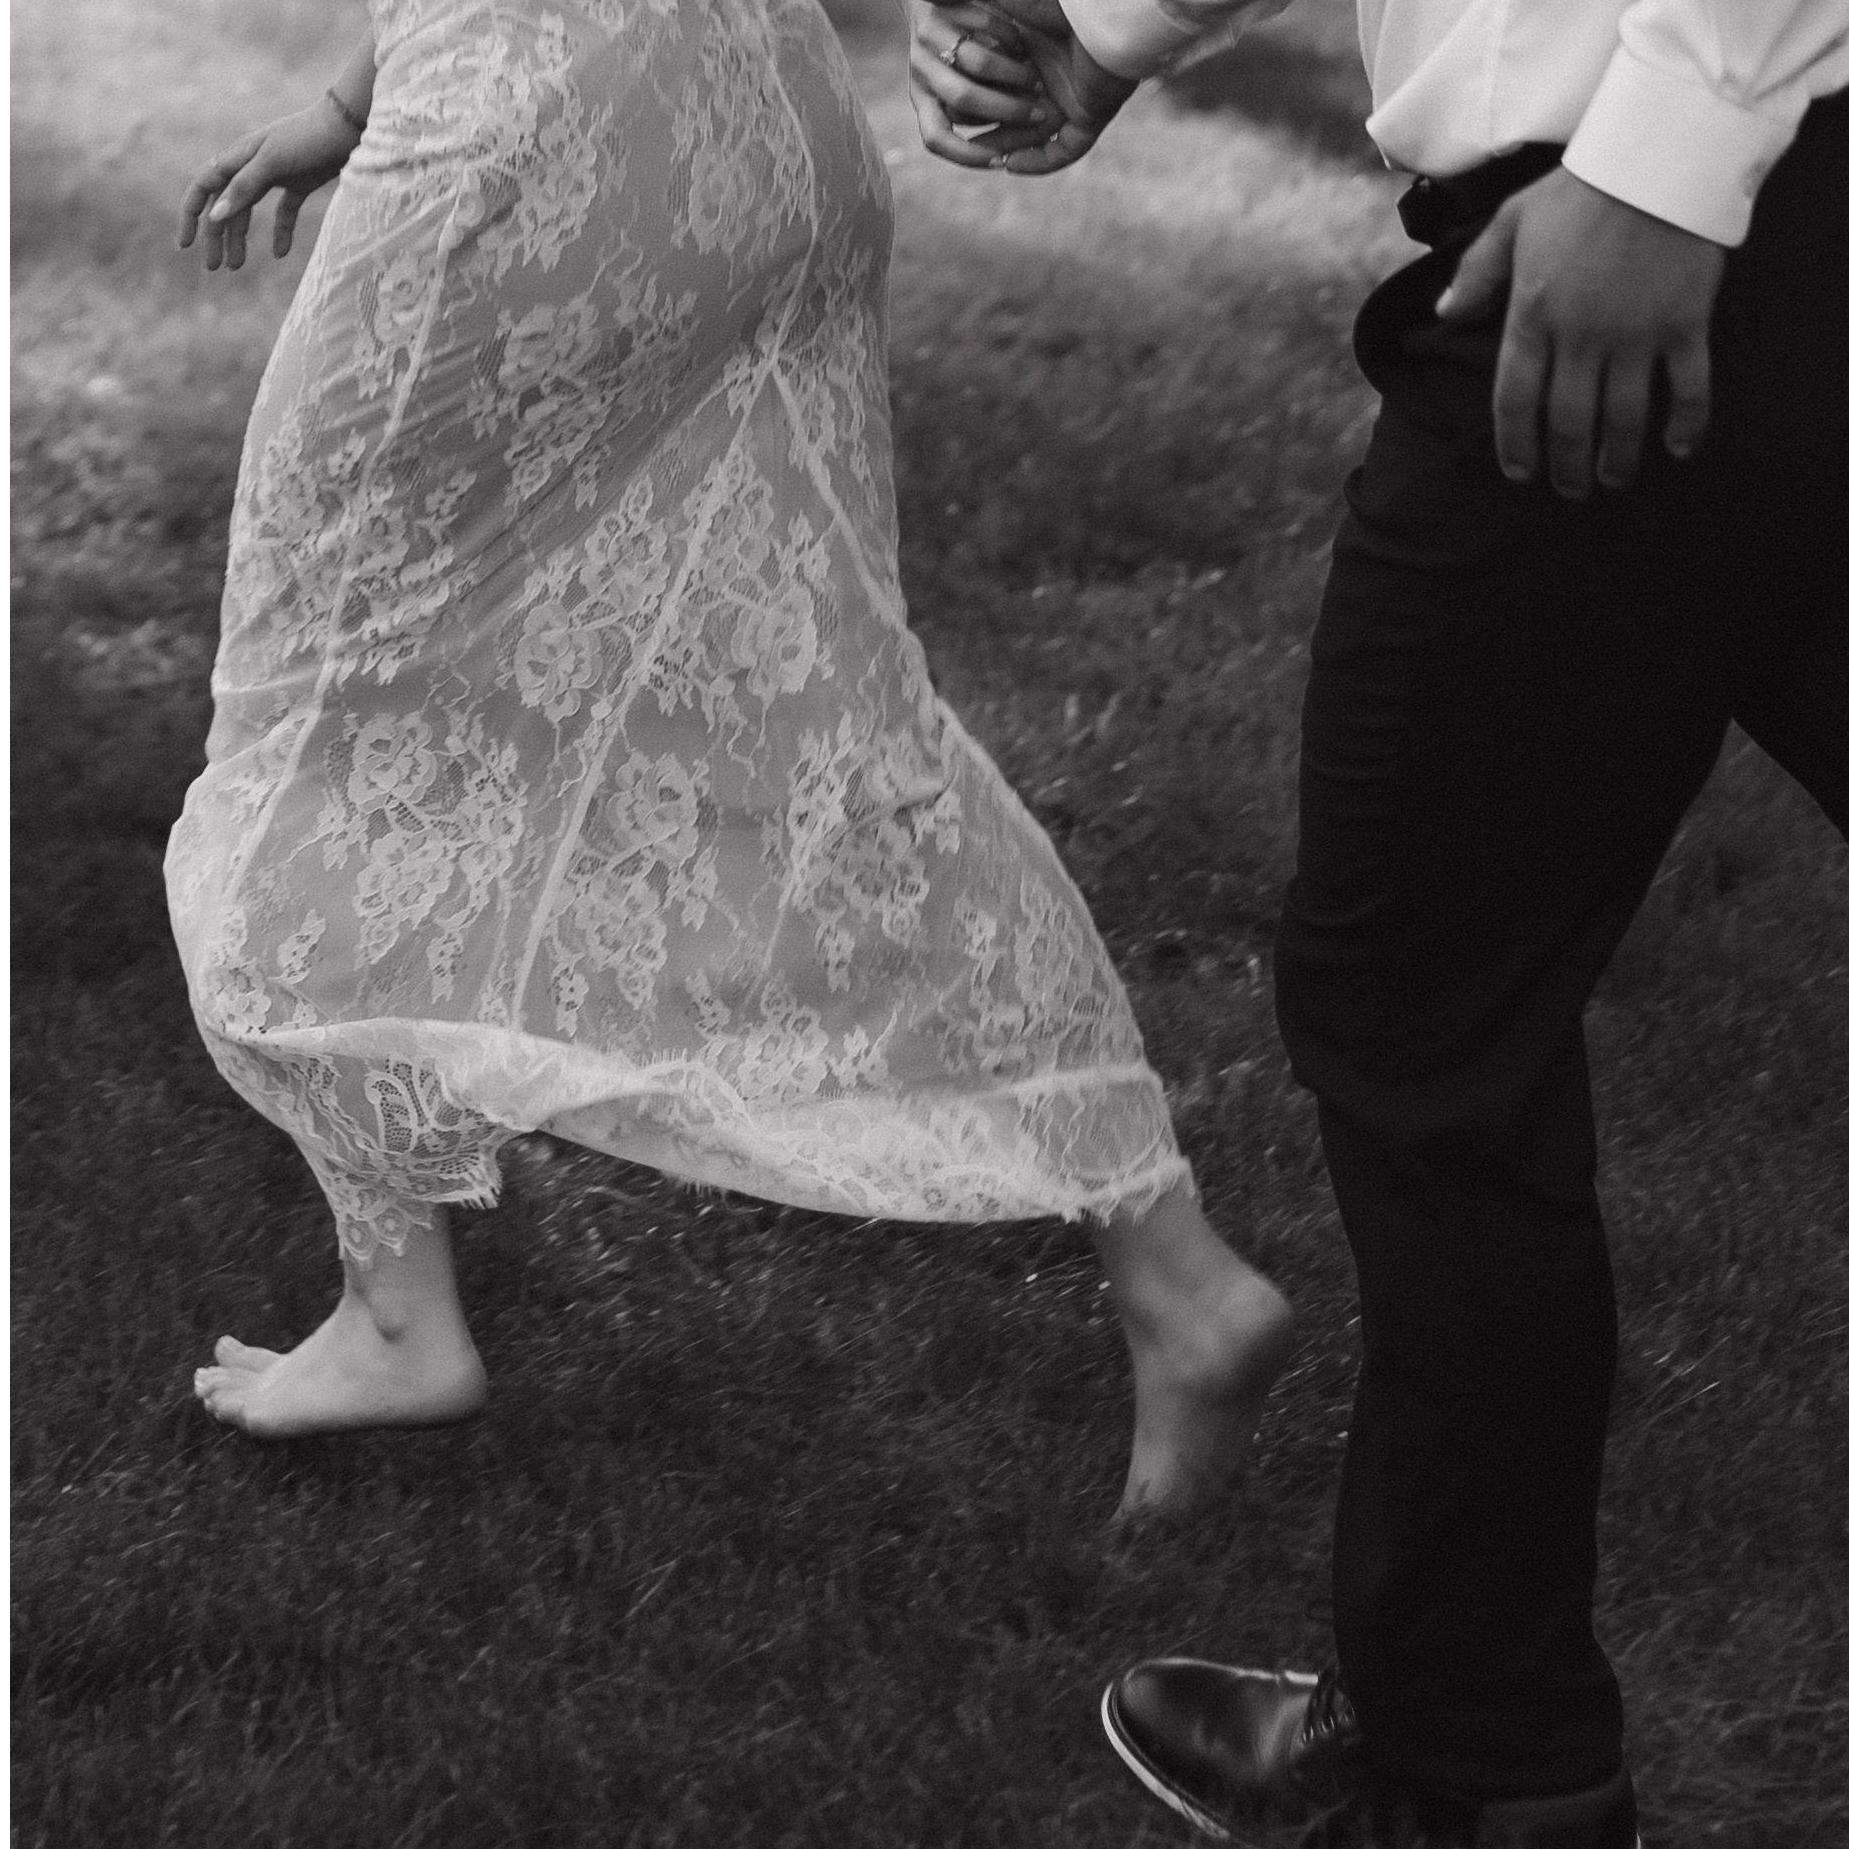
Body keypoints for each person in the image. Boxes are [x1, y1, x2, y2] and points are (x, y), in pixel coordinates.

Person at [911, 0, 1848, 1841]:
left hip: (1650, 213)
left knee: (1418, 1004)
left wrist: (1667, 153)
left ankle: (1482, 1767)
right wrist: (1114, 32)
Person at [167, 0, 1297, 1524]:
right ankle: (1179, 1275)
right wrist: (353, 92)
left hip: (530, 137)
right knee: (845, 718)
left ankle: (394, 1314)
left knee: (314, 687)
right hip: (768, 130)